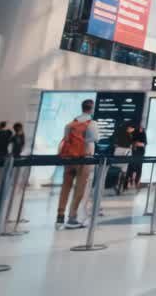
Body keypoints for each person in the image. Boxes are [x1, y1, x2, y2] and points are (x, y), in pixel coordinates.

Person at [57, 98, 98, 229]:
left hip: (69, 158)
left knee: (66, 186)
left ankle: (60, 215)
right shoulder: (92, 124)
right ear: (91, 109)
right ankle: (72, 216)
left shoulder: (69, 124)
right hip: (84, 158)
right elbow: (94, 139)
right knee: (80, 187)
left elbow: (65, 140)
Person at [127, 123, 147, 189]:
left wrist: (136, 144)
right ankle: (131, 182)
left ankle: (136, 182)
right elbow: (131, 142)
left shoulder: (143, 134)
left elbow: (143, 144)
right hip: (134, 152)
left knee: (138, 167)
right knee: (132, 167)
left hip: (140, 153)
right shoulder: (134, 133)